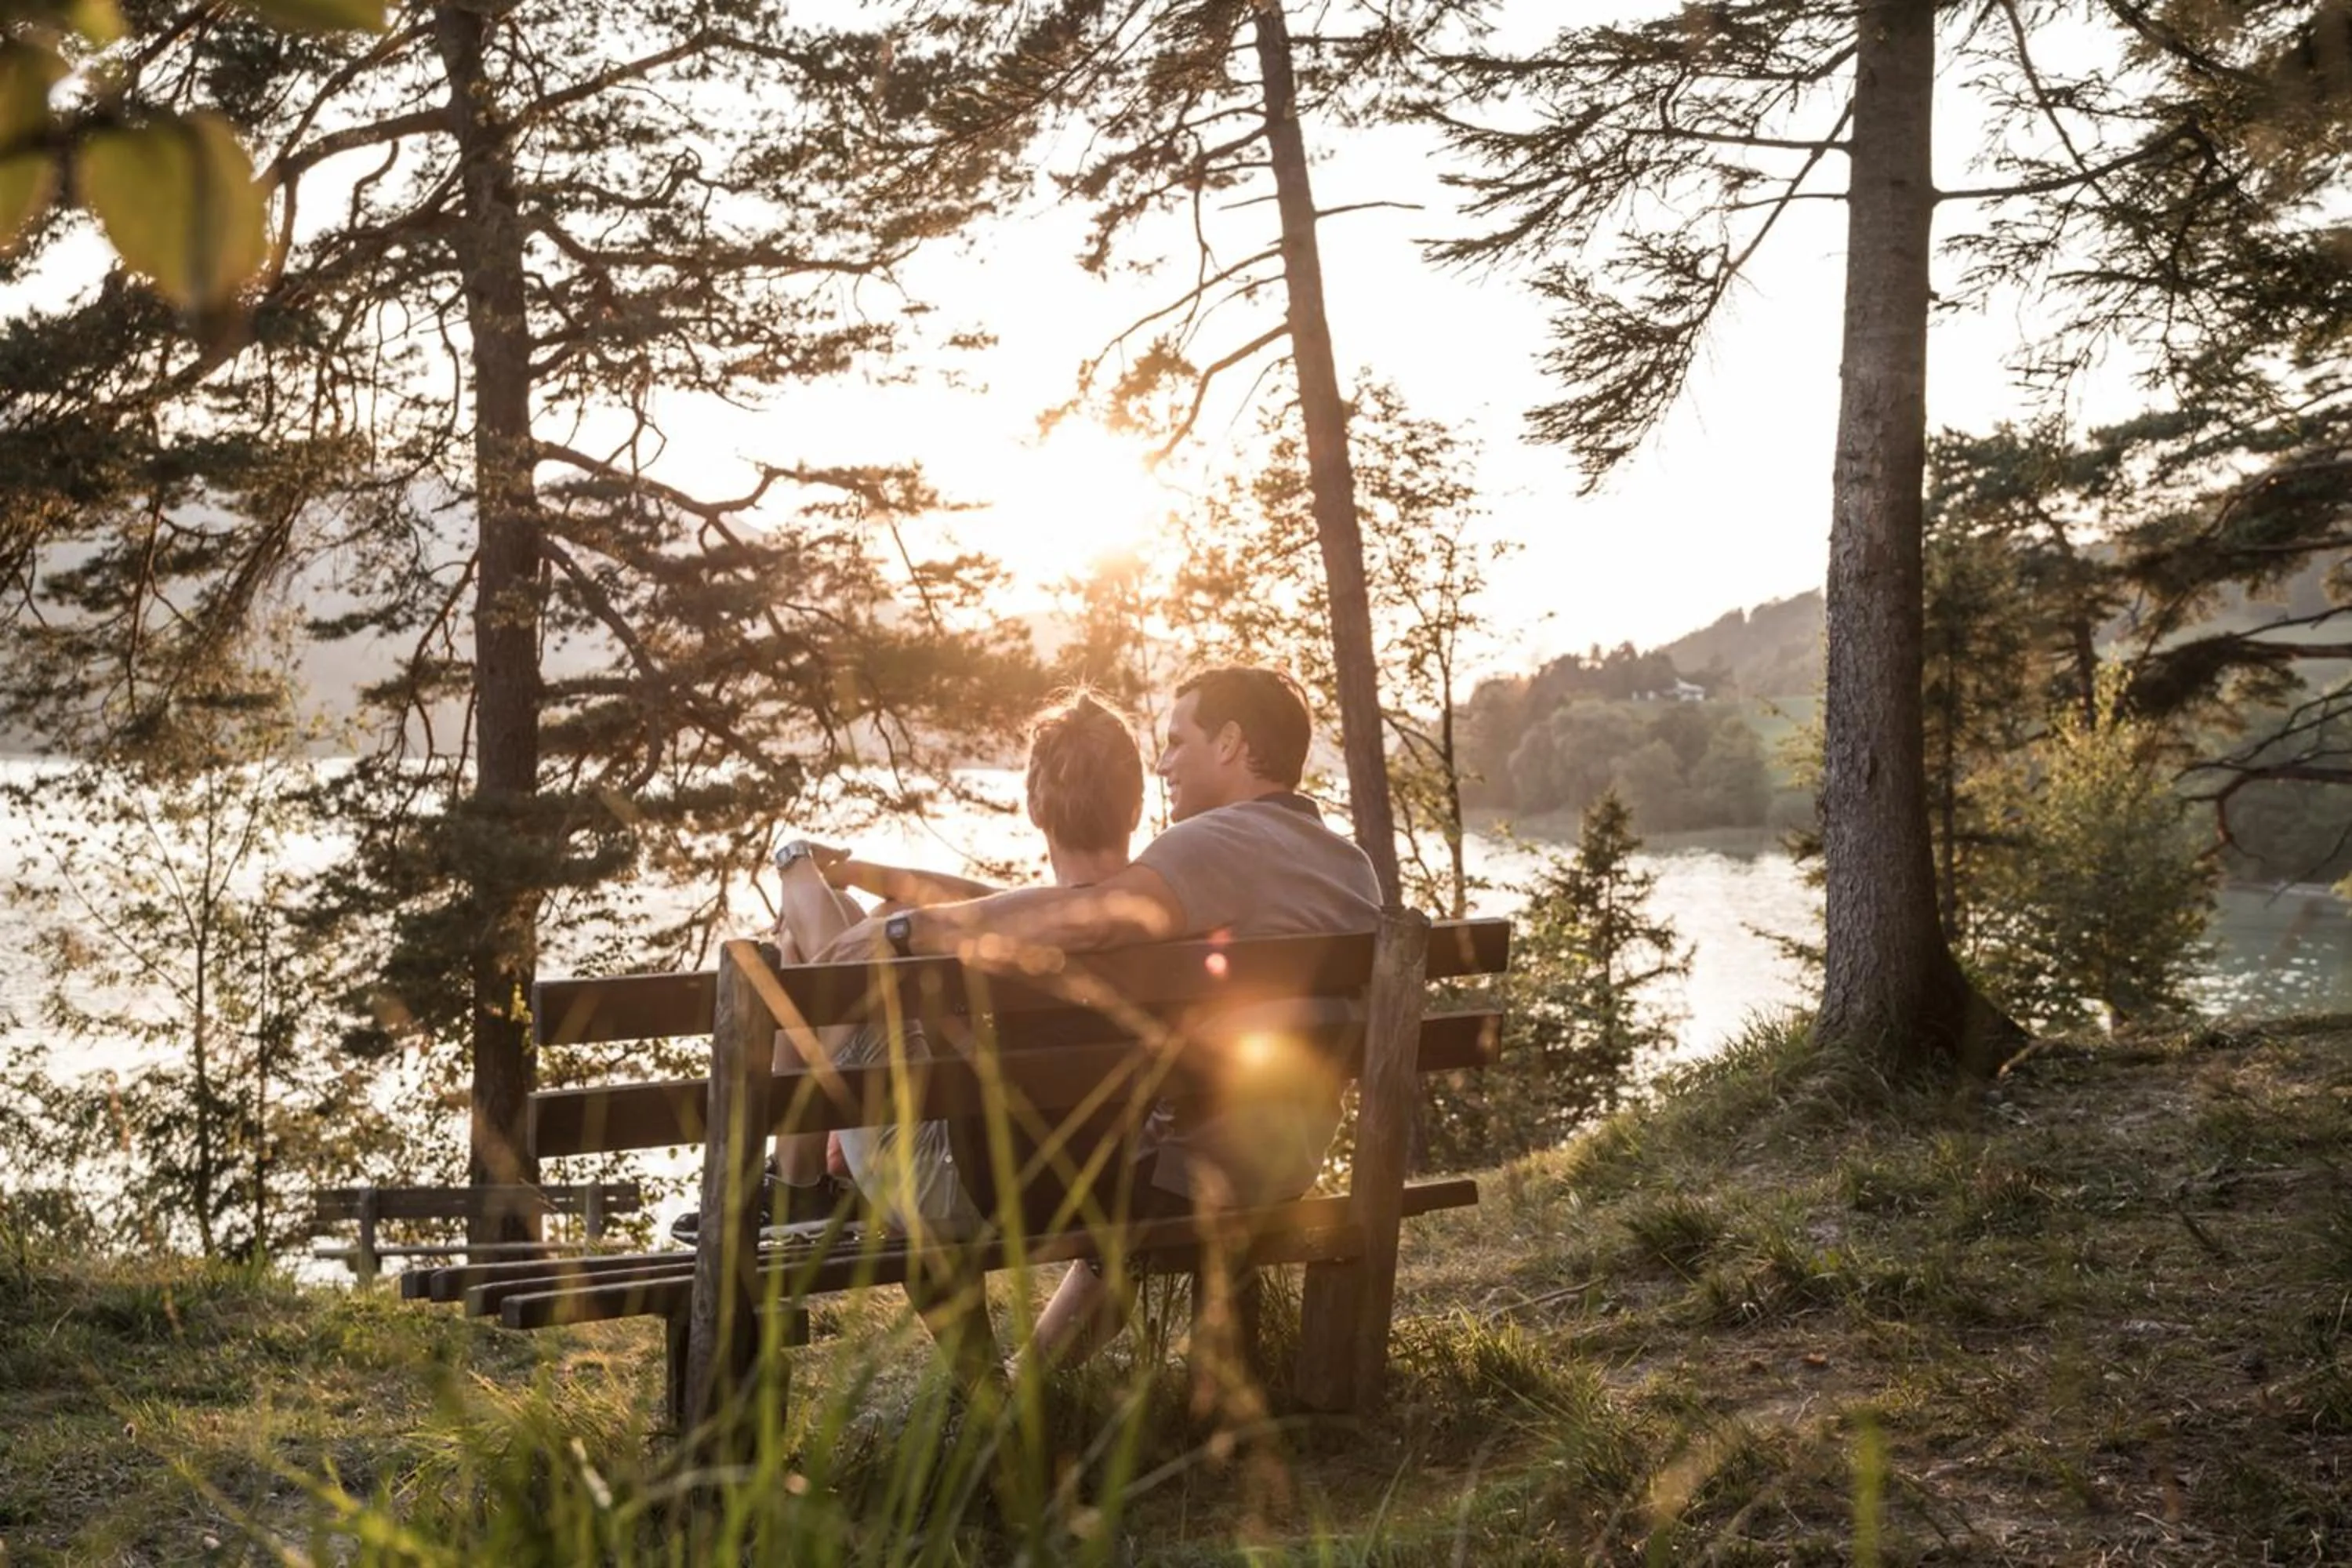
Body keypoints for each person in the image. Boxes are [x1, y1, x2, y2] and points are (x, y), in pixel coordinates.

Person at [838, 665, 1381, 1370]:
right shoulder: (1347, 865)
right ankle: (1025, 1384)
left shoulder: (1218, 842)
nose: (1164, 762)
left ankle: (999, 1395)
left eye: (1179, 740)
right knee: (1129, 1167)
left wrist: (908, 931)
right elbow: (1082, 905)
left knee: (1112, 1161)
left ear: (1231, 743)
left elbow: (1089, 918)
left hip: (1185, 1173)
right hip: (1282, 1163)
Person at [736, 688, 1152, 1247]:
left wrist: (795, 863)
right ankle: (797, 1184)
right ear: (1135, 807)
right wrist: (866, 875)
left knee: (813, 929)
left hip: (957, 1191)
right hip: (1094, 1196)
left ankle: (796, 1181)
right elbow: (990, 898)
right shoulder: (1149, 919)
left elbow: (976, 909)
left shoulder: (1032, 926)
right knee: (869, 918)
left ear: (1034, 809)